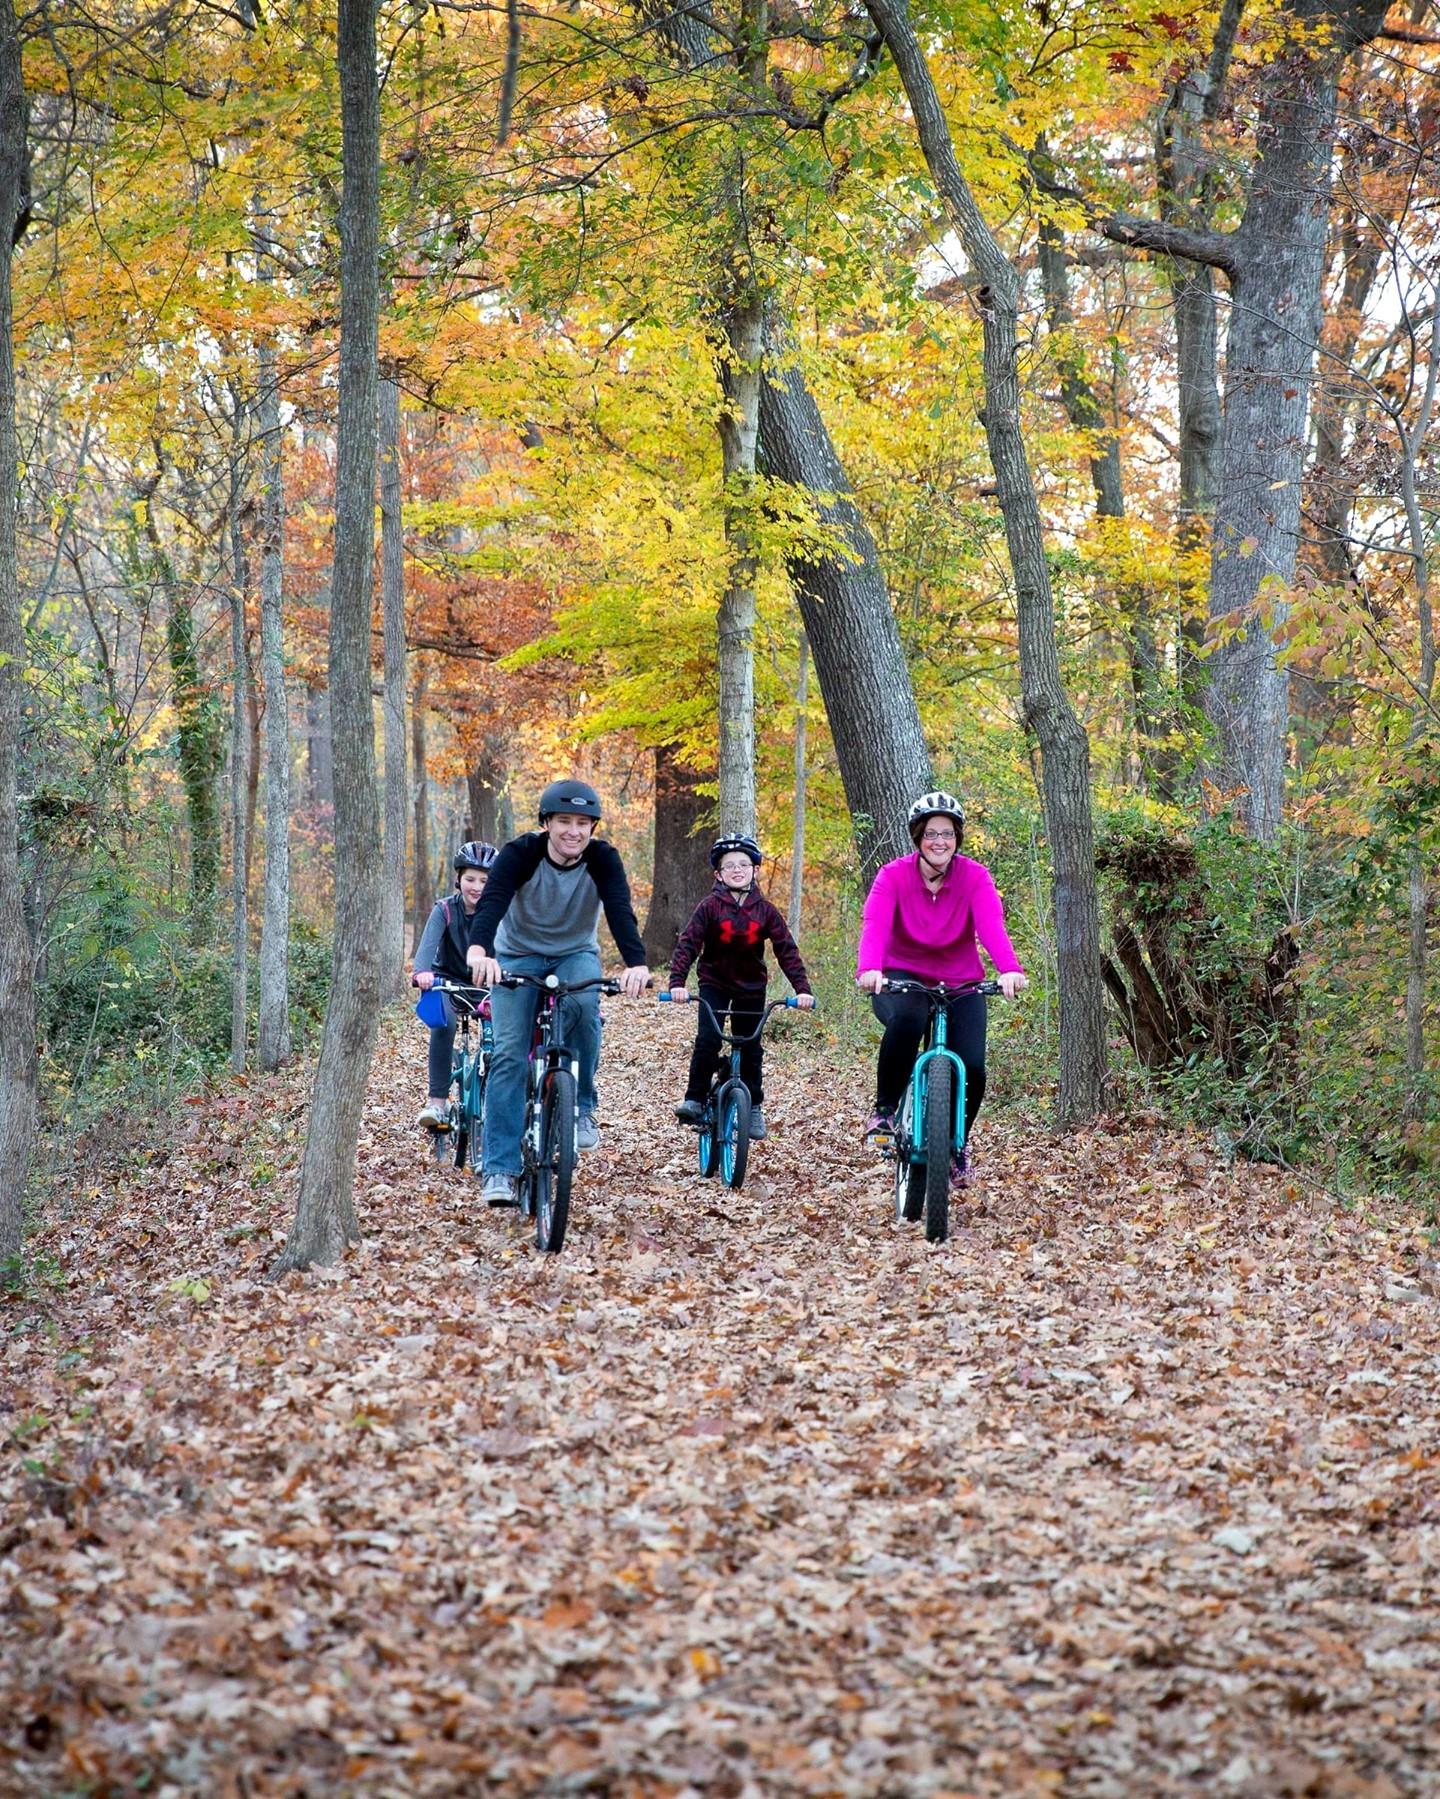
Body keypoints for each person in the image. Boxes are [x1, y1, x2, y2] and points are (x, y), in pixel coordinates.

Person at [467, 780, 650, 1207]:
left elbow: (620, 910)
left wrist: (637, 963)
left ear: (592, 827)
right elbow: (492, 901)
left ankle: (583, 1104)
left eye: (583, 823)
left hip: (574, 953)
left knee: (587, 1006)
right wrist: (480, 951)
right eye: (564, 821)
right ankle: (500, 1169)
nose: (573, 831)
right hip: (517, 955)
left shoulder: (603, 859)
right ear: (546, 823)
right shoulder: (520, 854)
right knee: (510, 1054)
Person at [856, 791, 1027, 1184]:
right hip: (900, 978)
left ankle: (957, 1145)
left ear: (957, 839)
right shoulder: (893, 876)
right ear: (917, 837)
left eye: (947, 834)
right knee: (908, 1021)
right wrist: (870, 968)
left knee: (972, 1066)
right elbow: (876, 925)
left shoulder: (974, 877)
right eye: (931, 833)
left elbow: (991, 926)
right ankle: (883, 1111)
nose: (939, 841)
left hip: (960, 981)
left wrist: (1009, 970)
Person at [669, 834, 816, 1141]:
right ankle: (695, 1098)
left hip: (751, 987)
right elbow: (688, 943)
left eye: (744, 864)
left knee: (751, 1048)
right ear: (718, 874)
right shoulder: (709, 907)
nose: (737, 870)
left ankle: (754, 1106)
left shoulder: (765, 910)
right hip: (715, 983)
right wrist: (677, 983)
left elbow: (786, 949)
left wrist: (803, 989)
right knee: (708, 1040)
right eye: (729, 866)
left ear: (755, 870)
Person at [412, 841, 498, 1131]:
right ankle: (437, 1102)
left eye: (485, 880)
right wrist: (422, 973)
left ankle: (500, 1100)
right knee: (444, 1023)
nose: (477, 887)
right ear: (458, 879)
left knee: (502, 1034)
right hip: (448, 981)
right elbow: (426, 950)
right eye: (470, 879)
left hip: (490, 986)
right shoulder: (445, 910)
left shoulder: (502, 912)